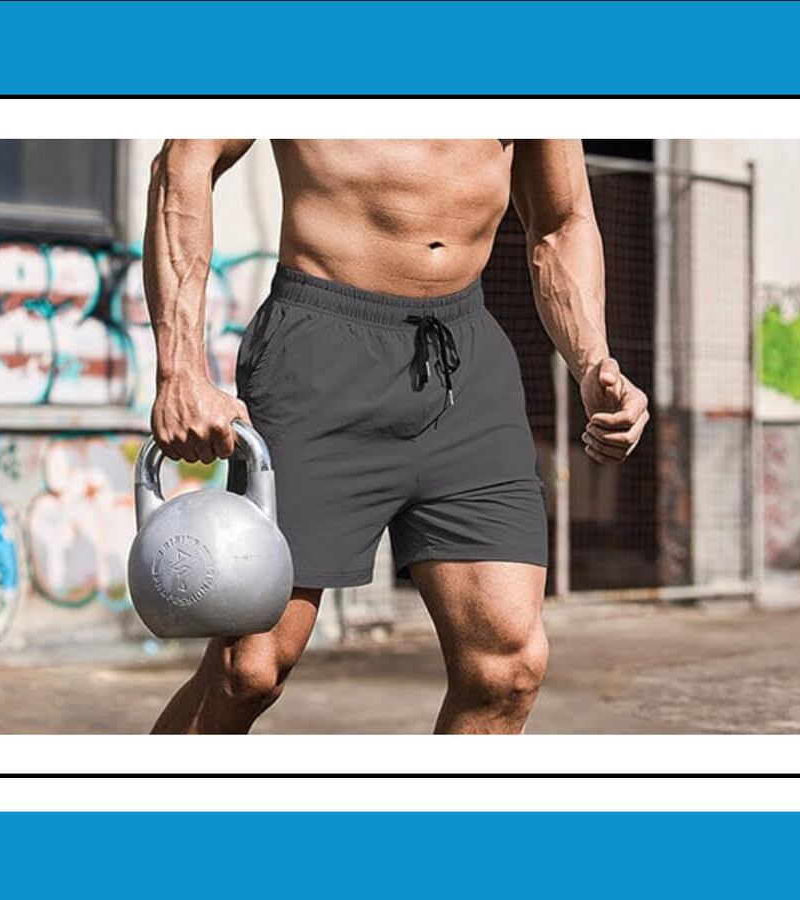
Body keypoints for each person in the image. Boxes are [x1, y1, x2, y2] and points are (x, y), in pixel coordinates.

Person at [144, 140, 649, 734]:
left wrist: (593, 360)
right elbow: (185, 158)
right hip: (318, 351)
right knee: (250, 668)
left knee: (507, 670)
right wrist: (180, 369)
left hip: (466, 366)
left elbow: (562, 221)